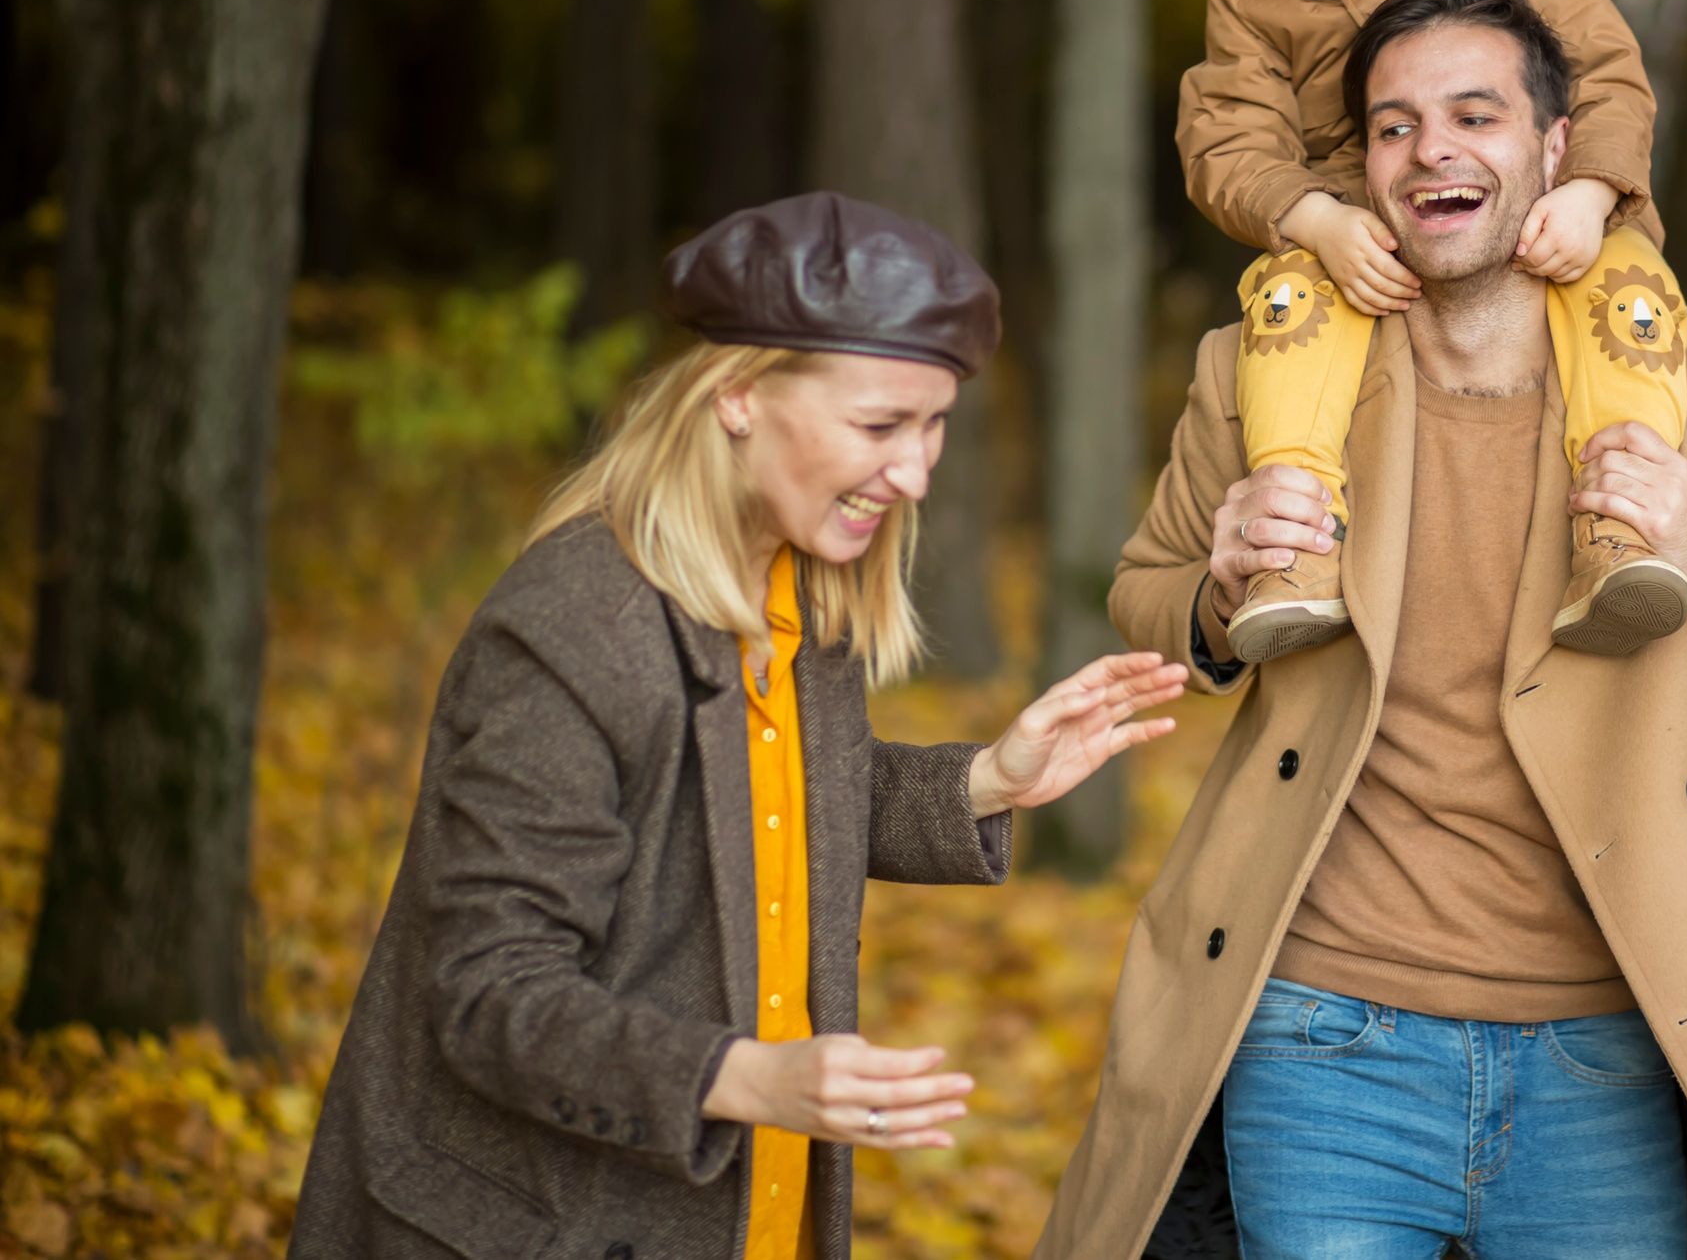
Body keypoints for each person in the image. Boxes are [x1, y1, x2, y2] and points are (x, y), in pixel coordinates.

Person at [1039, 0, 1687, 1260]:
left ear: (1556, 150)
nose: (1430, 148)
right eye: (1392, 126)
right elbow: (1146, 593)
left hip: (1609, 1056)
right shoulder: (1262, 371)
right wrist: (1215, 593)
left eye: (1474, 115)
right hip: (1319, 1034)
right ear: (1365, 169)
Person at [290, 194, 1186, 1260]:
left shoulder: (803, 592)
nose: (914, 474)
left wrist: (987, 780)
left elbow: (750, 814)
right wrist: (748, 1074)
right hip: (534, 1224)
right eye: (879, 425)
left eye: (935, 422)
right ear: (738, 399)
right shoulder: (575, 629)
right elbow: (489, 991)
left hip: (752, 1215)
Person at [1181, 0, 1687, 665]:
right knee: (1288, 306)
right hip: (1363, 232)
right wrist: (1316, 222)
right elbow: (1225, 140)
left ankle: (1619, 525)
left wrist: (1591, 190)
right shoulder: (1249, 8)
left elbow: (1603, 68)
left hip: (1537, 212)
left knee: (1626, 292)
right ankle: (1296, 540)